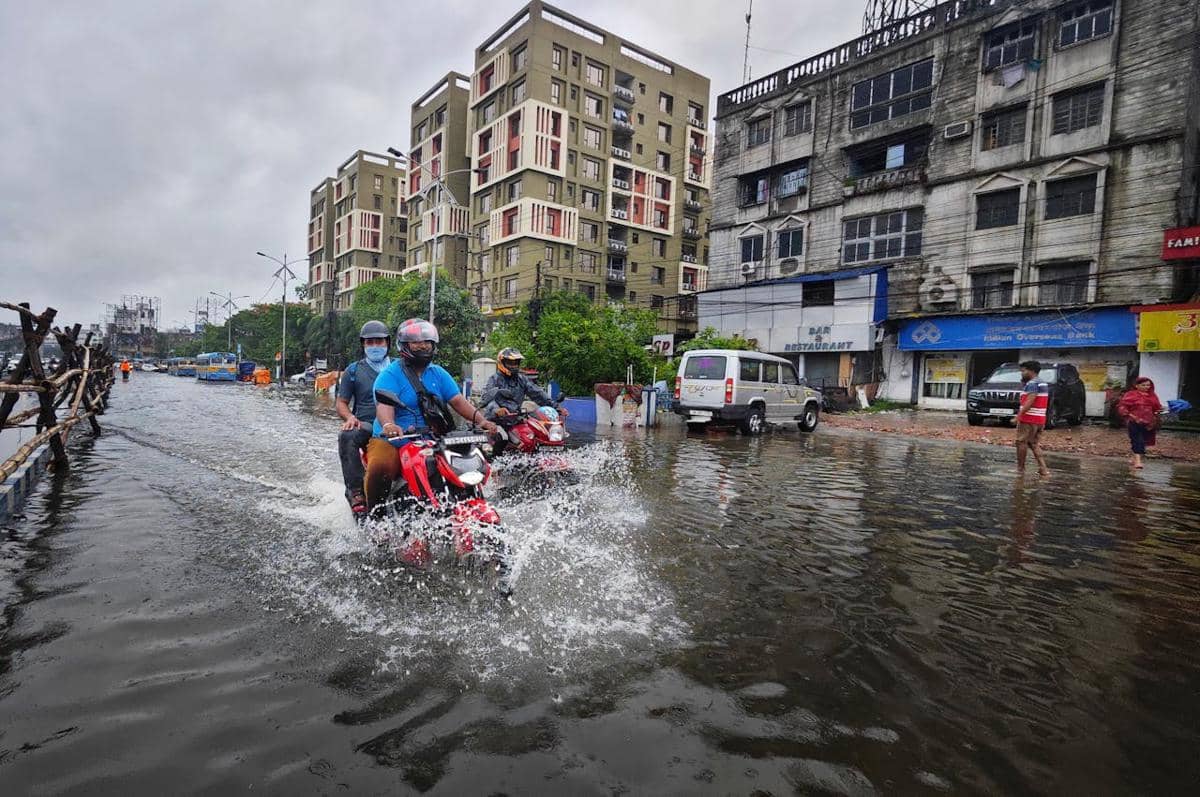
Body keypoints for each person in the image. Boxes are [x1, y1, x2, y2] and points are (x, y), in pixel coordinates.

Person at [364, 319, 497, 512]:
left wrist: (482, 420)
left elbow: (458, 401)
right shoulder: (390, 375)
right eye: (416, 341)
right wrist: (389, 426)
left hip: (433, 439)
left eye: (426, 341)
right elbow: (384, 407)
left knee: (468, 460)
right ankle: (375, 518)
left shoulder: (438, 373)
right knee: (381, 467)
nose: (423, 345)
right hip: (395, 439)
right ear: (404, 345)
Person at [335, 320, 391, 517]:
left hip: (398, 427)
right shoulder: (353, 371)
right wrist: (349, 417)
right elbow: (341, 402)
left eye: (379, 341)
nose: (375, 346)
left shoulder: (400, 369)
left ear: (387, 343)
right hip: (367, 426)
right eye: (370, 342)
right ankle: (356, 492)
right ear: (363, 345)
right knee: (347, 435)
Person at [481, 348, 568, 454]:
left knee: (535, 435)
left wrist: (556, 407)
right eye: (510, 363)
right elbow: (488, 398)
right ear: (502, 362)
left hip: (515, 419)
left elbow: (538, 394)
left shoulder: (522, 379)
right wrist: (497, 409)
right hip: (497, 420)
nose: (513, 366)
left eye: (515, 363)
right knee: (502, 438)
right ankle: (495, 464)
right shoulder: (494, 379)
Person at [1116, 376, 1163, 469]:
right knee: (1137, 440)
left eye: (1148, 385)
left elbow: (1157, 408)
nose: (1146, 387)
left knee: (1143, 441)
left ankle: (1134, 458)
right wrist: (1131, 416)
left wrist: (1160, 411)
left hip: (1149, 423)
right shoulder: (1131, 395)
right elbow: (1122, 407)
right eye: (1144, 385)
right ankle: (1138, 461)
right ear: (1137, 385)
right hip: (1134, 421)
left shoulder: (1153, 396)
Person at [1014, 360, 1050, 477]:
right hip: (1040, 419)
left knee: (1021, 442)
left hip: (1029, 418)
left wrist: (1019, 415)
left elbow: (1030, 401)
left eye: (1024, 371)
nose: (1022, 373)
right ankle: (1043, 469)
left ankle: (1020, 469)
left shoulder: (1033, 384)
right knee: (1033, 443)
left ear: (1031, 371)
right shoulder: (1042, 383)